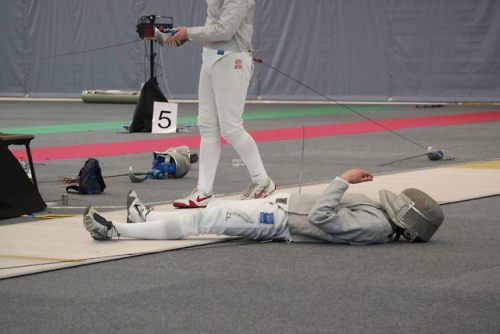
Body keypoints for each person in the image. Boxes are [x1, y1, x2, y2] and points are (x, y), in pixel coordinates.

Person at [83, 168, 445, 245]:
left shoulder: (376, 227)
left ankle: (117, 232)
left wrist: (340, 181)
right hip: (281, 209)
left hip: (279, 220)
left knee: (206, 220)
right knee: (212, 210)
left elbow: (323, 218)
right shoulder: (380, 217)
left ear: (408, 217)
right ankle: (147, 217)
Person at [161, 0, 275, 208]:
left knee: (231, 127)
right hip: (211, 57)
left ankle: (262, 181)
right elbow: (212, 24)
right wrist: (184, 34)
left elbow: (225, 30)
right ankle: (204, 192)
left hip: (232, 59)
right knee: (207, 126)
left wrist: (189, 33)